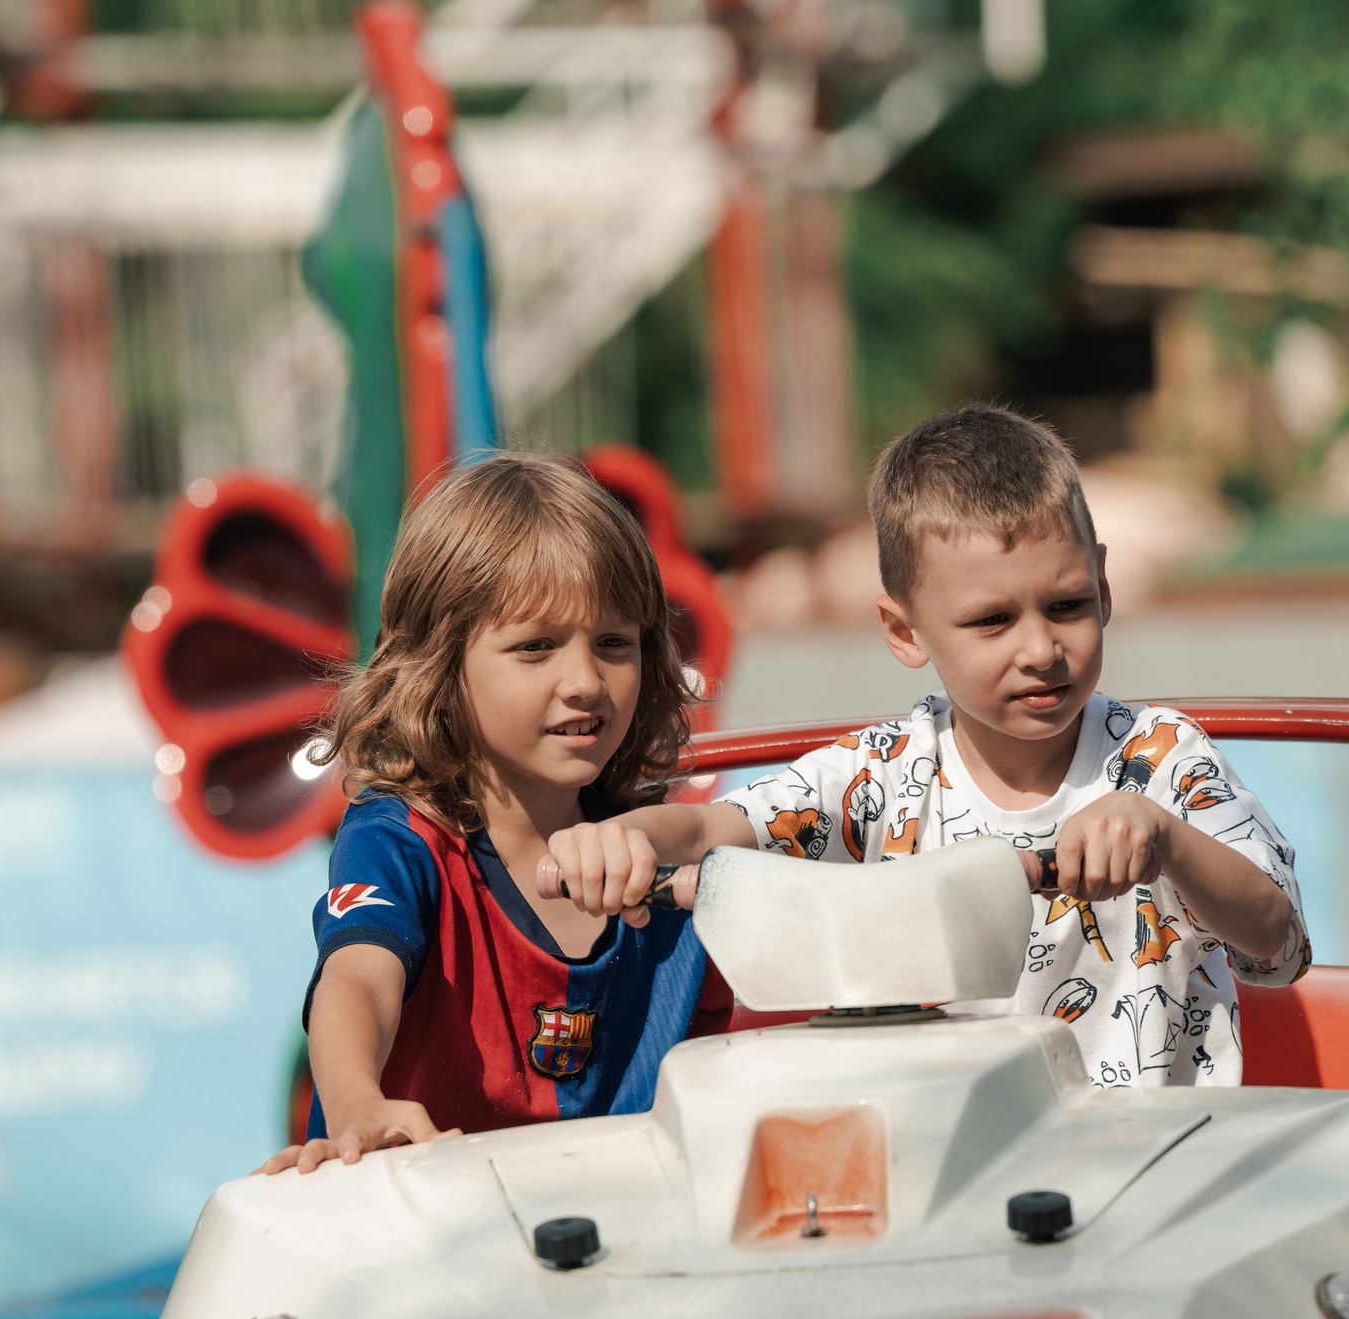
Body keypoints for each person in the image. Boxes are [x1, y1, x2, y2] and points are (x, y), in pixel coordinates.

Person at [545, 405, 1308, 1088]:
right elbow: (713, 828)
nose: (1041, 648)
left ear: (1104, 586)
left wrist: (1164, 837)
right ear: (905, 631)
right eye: (992, 621)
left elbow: (1278, 946)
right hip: (946, 1164)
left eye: (1068, 605)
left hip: (1152, 1166)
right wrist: (622, 839)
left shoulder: (1162, 759)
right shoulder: (884, 772)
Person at [260, 452, 725, 1173]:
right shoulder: (400, 840)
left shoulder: (672, 853)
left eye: (614, 643)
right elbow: (356, 977)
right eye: (535, 647)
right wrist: (357, 1103)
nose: (585, 681)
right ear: (441, 670)